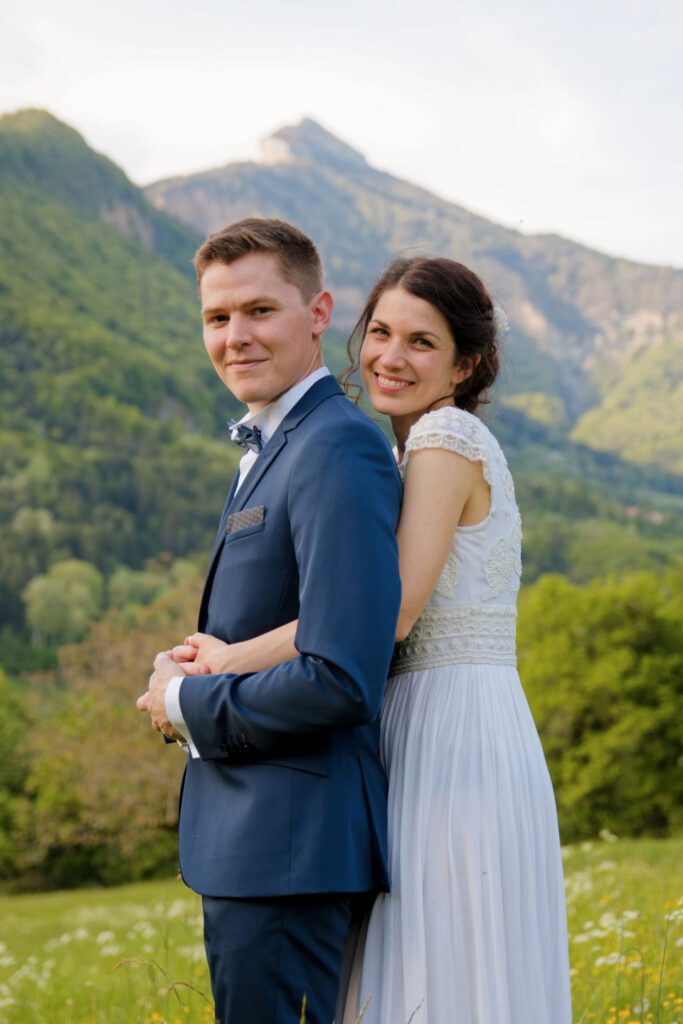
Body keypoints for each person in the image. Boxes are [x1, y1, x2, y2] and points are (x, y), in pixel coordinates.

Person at [180, 255, 573, 1024]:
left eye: (422, 343)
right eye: (382, 332)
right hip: (421, 718)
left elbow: (384, 614)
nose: (391, 357)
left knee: (445, 959)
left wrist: (224, 661)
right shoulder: (402, 450)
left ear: (466, 364)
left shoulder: (443, 440)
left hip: (453, 732)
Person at [136, 218, 402, 1024]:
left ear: (318, 313)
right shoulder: (276, 443)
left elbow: (340, 674)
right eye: (217, 318)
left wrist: (182, 705)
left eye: (258, 311)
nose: (235, 336)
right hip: (260, 845)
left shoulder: (335, 447)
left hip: (290, 848)